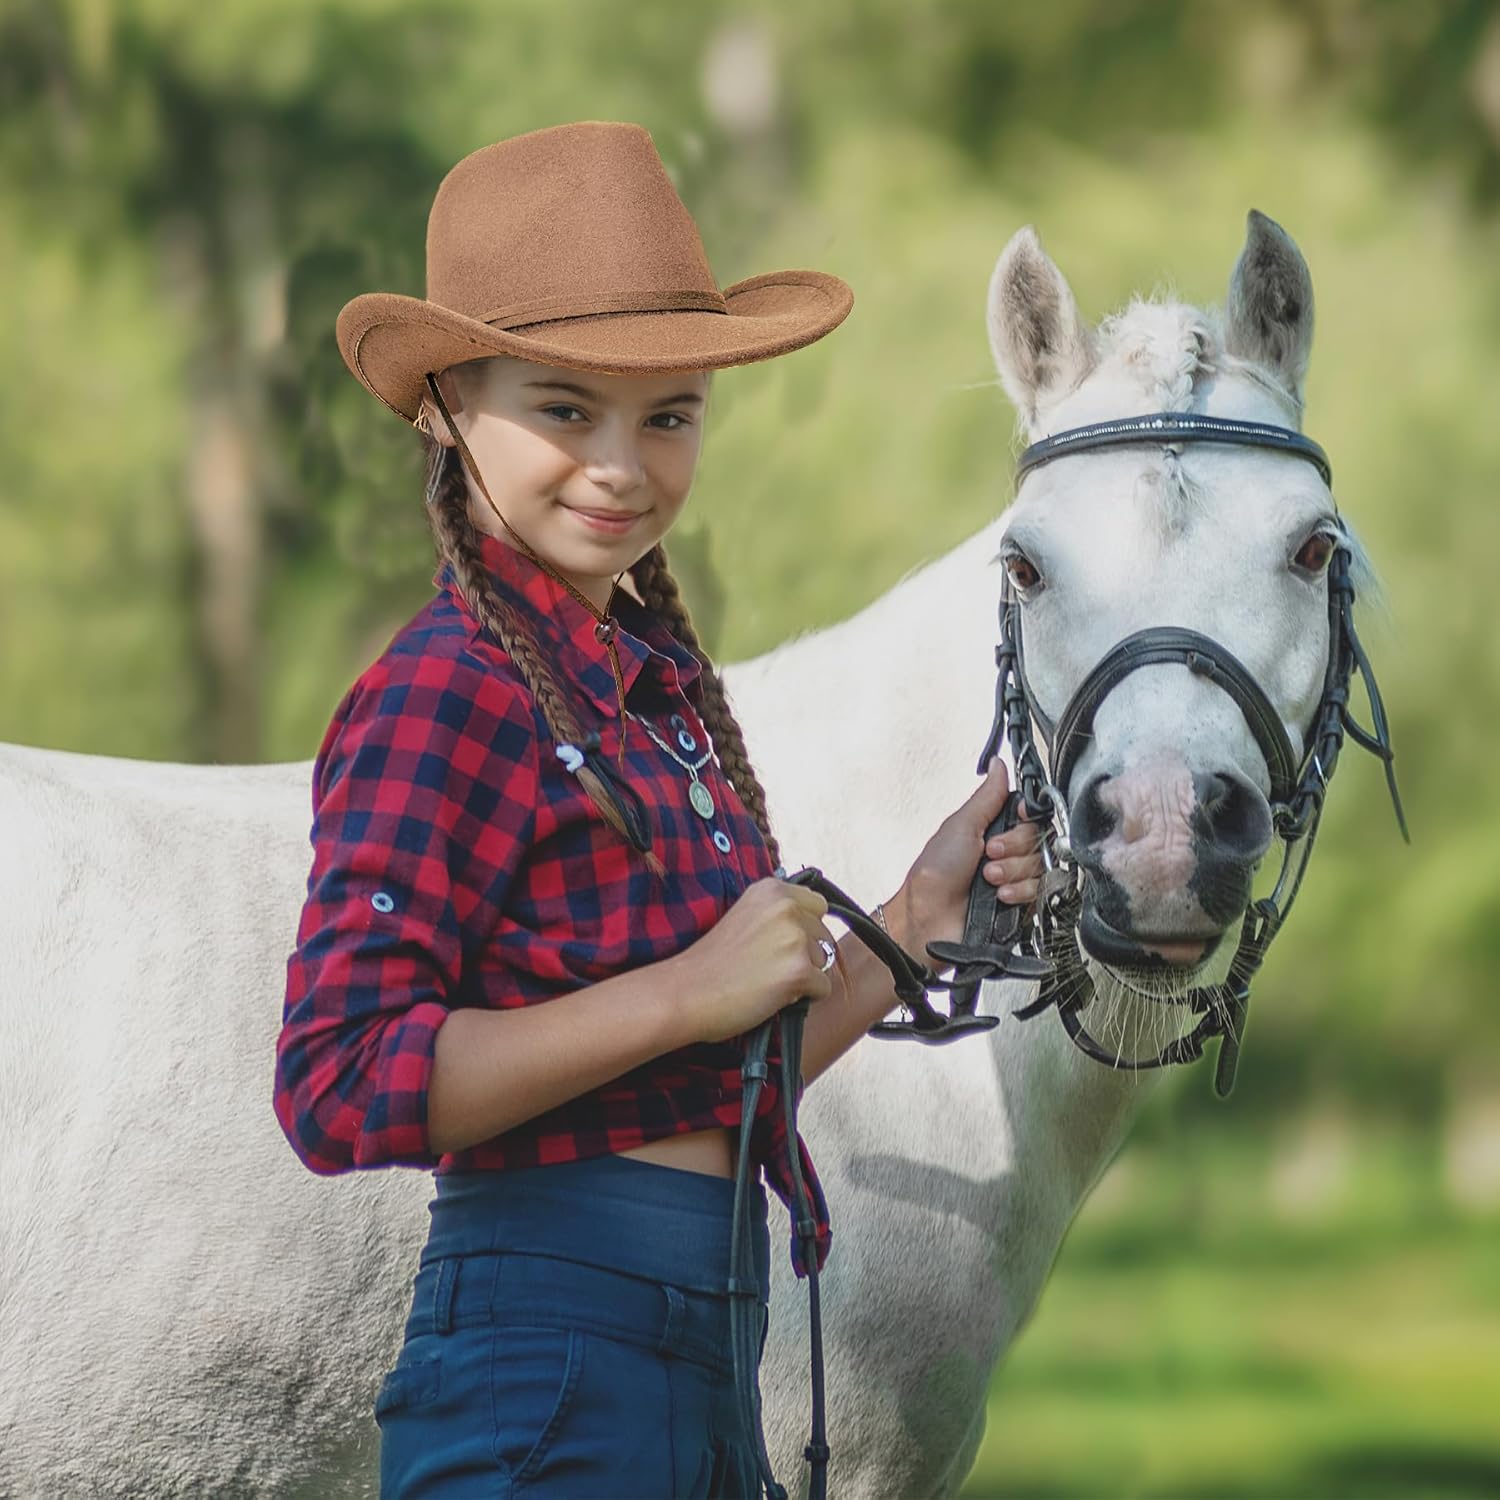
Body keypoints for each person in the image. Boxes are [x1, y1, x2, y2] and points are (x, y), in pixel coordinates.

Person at [273, 121, 1042, 1499]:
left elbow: (711, 1075)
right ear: (449, 402)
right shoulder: (441, 695)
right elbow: (337, 1086)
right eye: (564, 410)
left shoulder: (650, 700)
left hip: (704, 1342)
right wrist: (685, 991)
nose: (622, 466)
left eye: (670, 415)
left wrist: (918, 920)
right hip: (546, 1351)